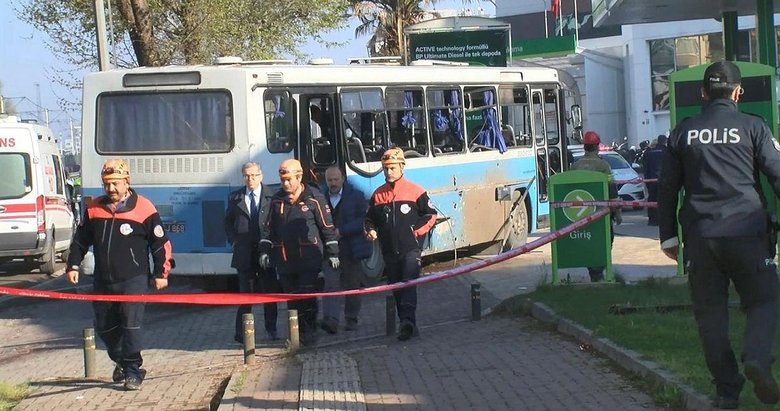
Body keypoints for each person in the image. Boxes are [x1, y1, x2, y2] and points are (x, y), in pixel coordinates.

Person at [658, 61, 780, 409]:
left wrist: (668, 236)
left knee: (710, 316)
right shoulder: (753, 128)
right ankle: (756, 357)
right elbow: (777, 174)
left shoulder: (683, 132)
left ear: (703, 93)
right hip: (747, 234)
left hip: (701, 238)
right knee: (764, 299)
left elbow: (667, 188)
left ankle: (727, 392)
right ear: (738, 92)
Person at [65, 159, 174, 391]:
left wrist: (161, 272)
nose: (111, 189)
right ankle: (122, 361)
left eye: (115, 183)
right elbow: (80, 241)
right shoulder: (94, 208)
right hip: (103, 280)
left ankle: (133, 372)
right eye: (107, 184)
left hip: (133, 279)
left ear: (127, 182)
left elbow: (160, 243)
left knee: (130, 325)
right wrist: (72, 265)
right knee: (105, 327)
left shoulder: (144, 207)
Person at [259, 159, 339, 346]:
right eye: (283, 180)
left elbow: (327, 227)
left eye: (289, 180)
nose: (286, 184)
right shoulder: (276, 200)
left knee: (307, 296)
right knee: (292, 300)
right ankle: (296, 335)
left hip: (309, 258)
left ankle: (309, 333)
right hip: (285, 259)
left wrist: (333, 253)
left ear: (299, 176)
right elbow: (268, 230)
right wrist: (265, 251)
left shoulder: (314, 198)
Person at [365, 147, 437, 341]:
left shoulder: (416, 191)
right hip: (389, 251)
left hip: (410, 249)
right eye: (386, 168)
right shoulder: (378, 195)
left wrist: (415, 232)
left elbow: (431, 215)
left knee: (408, 282)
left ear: (402, 167)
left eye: (393, 168)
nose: (389, 172)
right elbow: (369, 219)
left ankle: (407, 322)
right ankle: (406, 322)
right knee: (396, 287)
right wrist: (370, 230)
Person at [224, 162, 278, 343]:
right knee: (245, 294)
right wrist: (233, 241)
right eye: (247, 176)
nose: (251, 179)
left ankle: (271, 329)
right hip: (244, 253)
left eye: (254, 176)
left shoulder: (272, 196)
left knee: (269, 293)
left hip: (265, 252)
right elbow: (227, 223)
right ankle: (241, 333)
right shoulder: (235, 197)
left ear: (261, 176)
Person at [319, 166, 372, 334]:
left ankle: (351, 318)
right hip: (329, 250)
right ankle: (331, 320)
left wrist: (342, 231)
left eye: (335, 180)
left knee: (352, 284)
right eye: (329, 180)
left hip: (351, 248)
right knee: (331, 284)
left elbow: (363, 220)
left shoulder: (356, 196)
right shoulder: (321, 197)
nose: (333, 183)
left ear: (343, 179)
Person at [570, 130, 622, 282]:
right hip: (603, 213)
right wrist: (617, 212)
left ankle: (593, 271)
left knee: (588, 242)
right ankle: (598, 271)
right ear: (597, 146)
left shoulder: (575, 165)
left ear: (584, 146)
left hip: (581, 213)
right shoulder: (603, 166)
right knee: (606, 240)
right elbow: (611, 188)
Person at [642, 134, 667, 226]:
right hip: (663, 180)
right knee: (663, 199)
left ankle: (652, 219)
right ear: (664, 141)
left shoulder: (650, 152)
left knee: (651, 199)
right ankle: (662, 219)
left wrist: (647, 180)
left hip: (651, 180)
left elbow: (645, 167)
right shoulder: (666, 151)